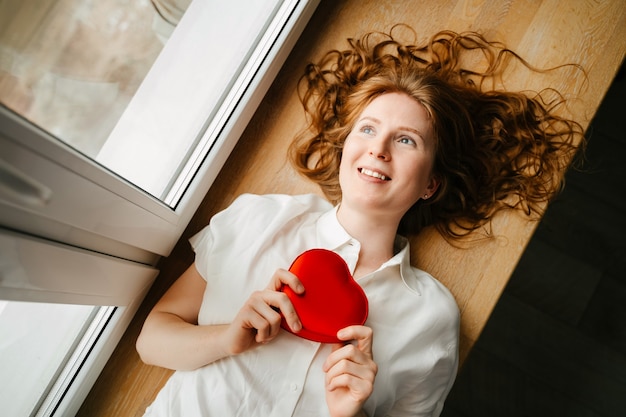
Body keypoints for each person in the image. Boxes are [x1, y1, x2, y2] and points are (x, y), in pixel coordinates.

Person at [136, 27, 583, 417]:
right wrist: (225, 339)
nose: (379, 149)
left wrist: (351, 414)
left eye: (405, 140)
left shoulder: (431, 317)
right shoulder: (257, 218)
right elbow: (151, 339)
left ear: (430, 183)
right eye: (367, 129)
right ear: (346, 146)